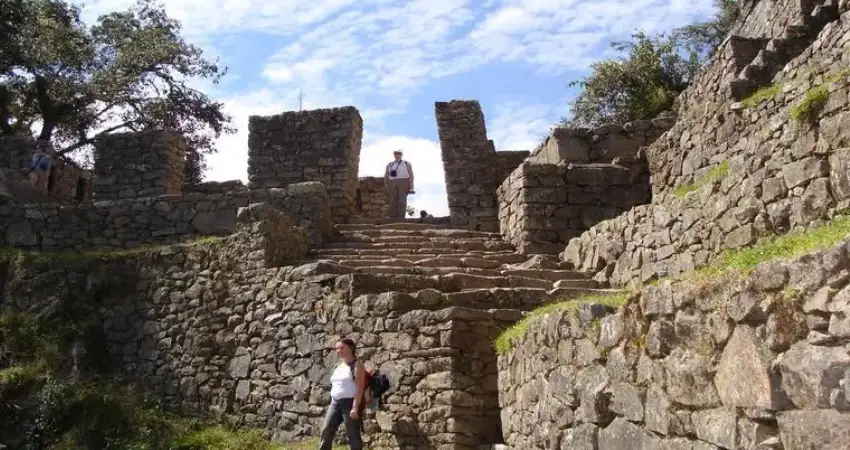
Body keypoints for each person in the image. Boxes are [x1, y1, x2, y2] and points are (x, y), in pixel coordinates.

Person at [319, 338, 367, 450]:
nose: (338, 350)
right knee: (326, 430)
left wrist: (355, 407)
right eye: (337, 348)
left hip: (349, 403)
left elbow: (360, 388)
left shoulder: (357, 365)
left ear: (351, 348)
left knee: (353, 435)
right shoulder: (338, 366)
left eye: (342, 348)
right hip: (335, 403)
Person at [384, 150, 414, 219]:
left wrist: (411, 186)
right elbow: (386, 175)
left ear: (401, 155)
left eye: (399, 153)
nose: (397, 155)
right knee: (392, 200)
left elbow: (411, 175)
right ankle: (392, 216)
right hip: (392, 182)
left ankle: (401, 216)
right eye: (396, 153)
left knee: (402, 200)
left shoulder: (406, 163)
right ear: (394, 155)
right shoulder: (390, 164)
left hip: (403, 181)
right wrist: (386, 184)